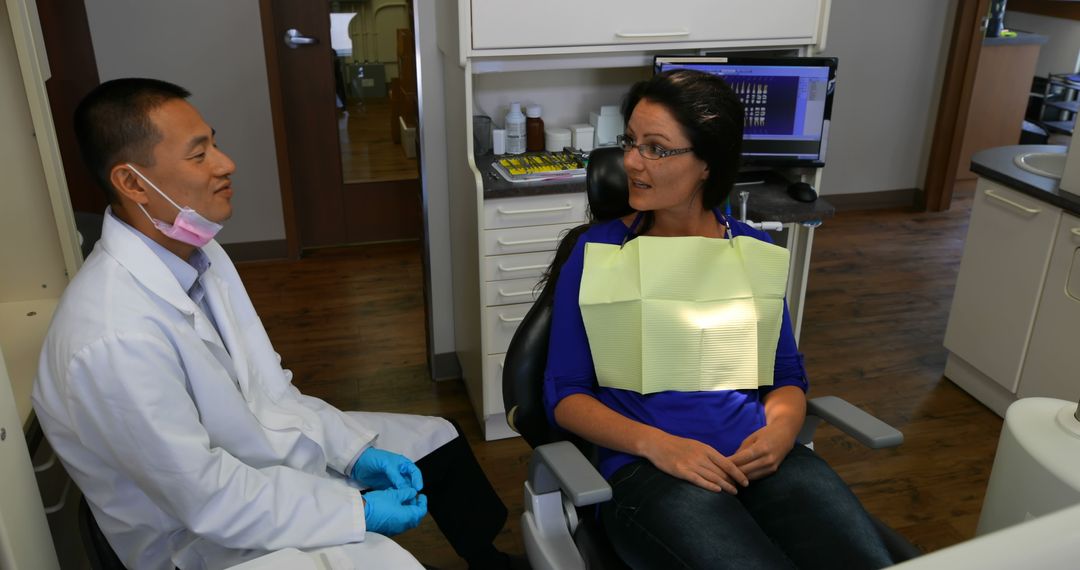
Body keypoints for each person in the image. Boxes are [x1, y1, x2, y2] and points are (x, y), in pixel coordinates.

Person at [32, 78, 521, 570]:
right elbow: (207, 498)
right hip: (203, 543)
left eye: (214, 143)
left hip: (259, 463)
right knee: (388, 561)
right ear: (133, 182)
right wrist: (356, 509)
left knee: (438, 440)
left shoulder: (199, 255)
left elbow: (273, 389)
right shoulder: (111, 337)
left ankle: (489, 559)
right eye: (199, 155)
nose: (226, 164)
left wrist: (350, 454)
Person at [543, 69, 895, 570]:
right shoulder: (599, 252)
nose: (631, 162)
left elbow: (786, 376)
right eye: (631, 142)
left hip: (761, 456)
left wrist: (781, 431)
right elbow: (566, 396)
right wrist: (657, 445)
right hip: (652, 470)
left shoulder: (752, 249)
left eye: (656, 148)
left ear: (707, 163)